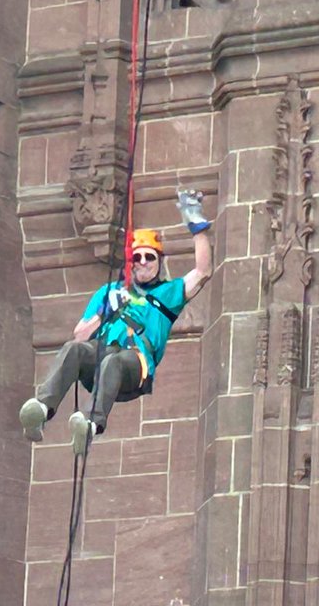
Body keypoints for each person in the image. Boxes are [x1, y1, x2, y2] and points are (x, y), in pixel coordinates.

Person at [19, 189, 213, 453]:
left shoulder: (167, 294)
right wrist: (103, 313)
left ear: (159, 261)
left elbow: (203, 272)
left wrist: (196, 224)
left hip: (135, 363)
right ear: (129, 262)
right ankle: (42, 408)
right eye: (137, 257)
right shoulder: (109, 292)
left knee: (114, 361)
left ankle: (91, 423)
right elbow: (79, 336)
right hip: (101, 355)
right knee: (74, 350)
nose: (143, 262)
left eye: (149, 257)